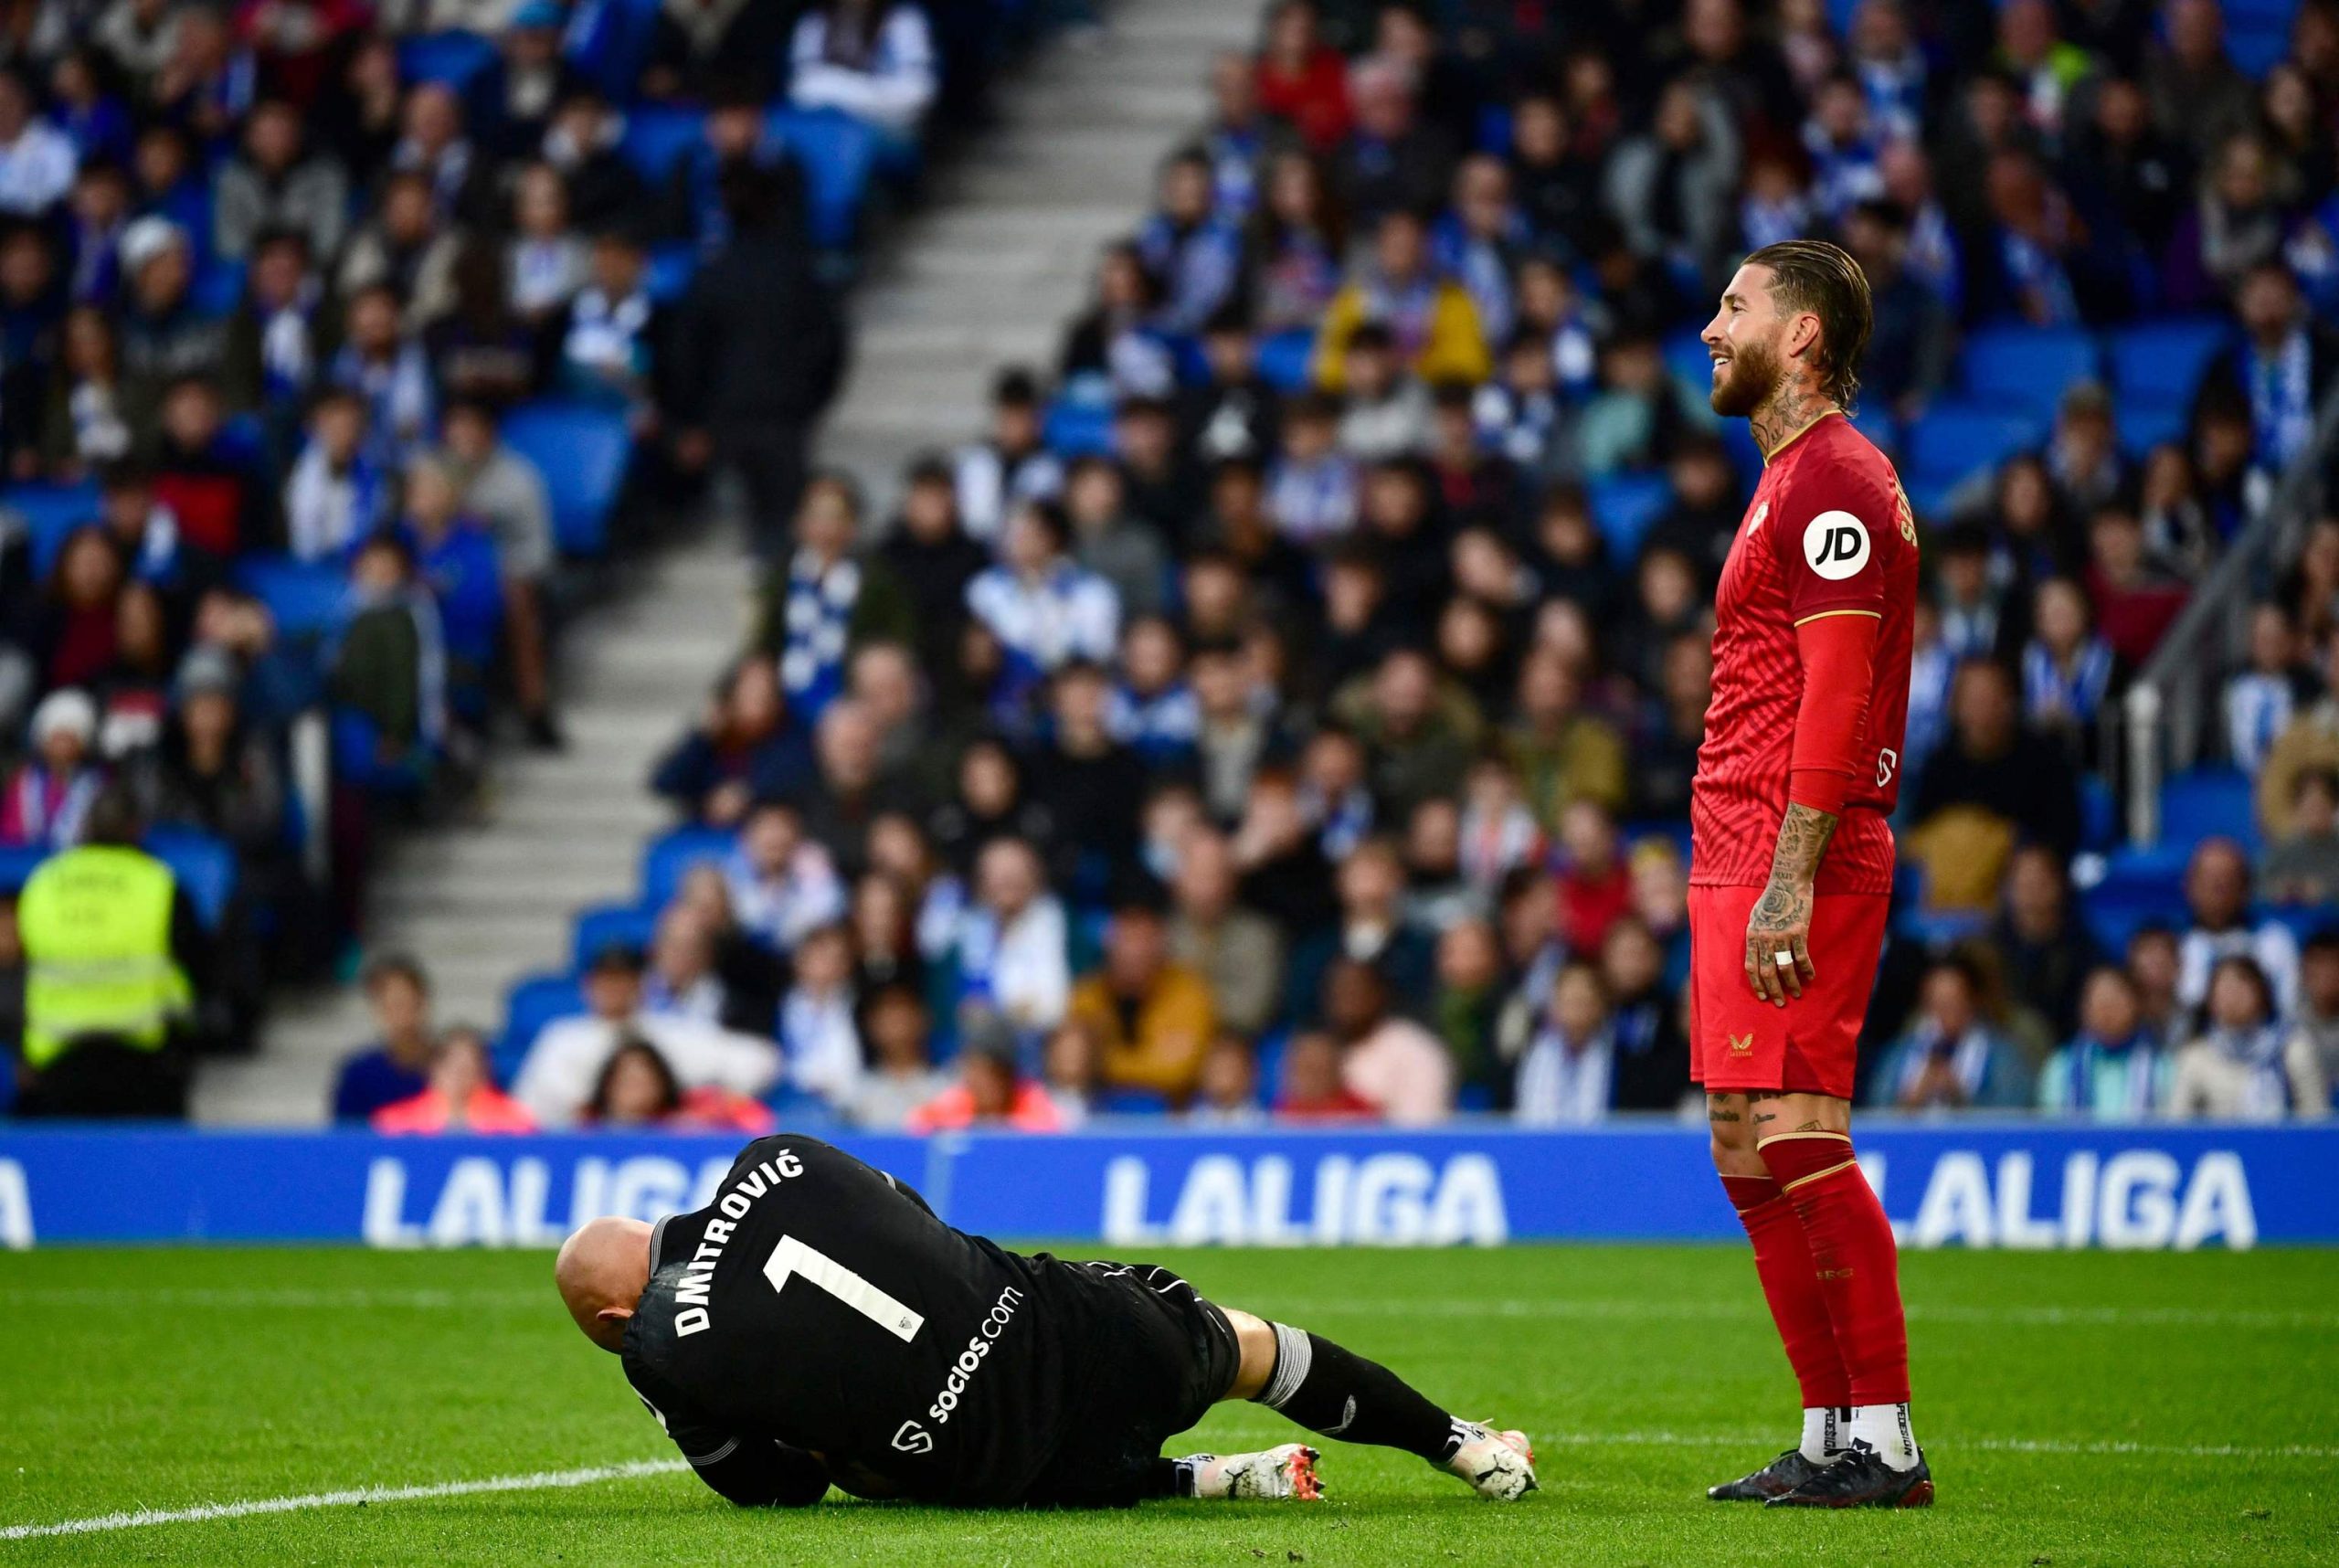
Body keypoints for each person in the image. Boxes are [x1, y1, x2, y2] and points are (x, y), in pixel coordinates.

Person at [553, 1133, 1536, 1510]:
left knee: (858, 1452)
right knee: (1248, 1347)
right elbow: (915, 1224)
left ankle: (1190, 1484)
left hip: (1002, 1474)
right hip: (1078, 1336)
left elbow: (773, 1496)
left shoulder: (657, 1345)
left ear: (610, 1317)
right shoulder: (781, 1153)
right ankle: (1464, 1448)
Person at [1689, 241, 1931, 1507]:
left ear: (1803, 335)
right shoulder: (1788, 480)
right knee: (1741, 1142)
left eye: (1735, 307)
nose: (1711, 327)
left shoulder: (1835, 480)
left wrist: (1795, 874)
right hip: (1736, 845)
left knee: (1797, 1131)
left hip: (1799, 850)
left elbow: (1837, 698)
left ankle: (1886, 1437)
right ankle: (1831, 1432)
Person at [13, 786, 206, 1117]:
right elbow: (198, 970)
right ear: (136, 828)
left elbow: (17, 970)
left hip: (55, 1066)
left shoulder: (42, 882)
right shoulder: (161, 884)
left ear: (85, 826)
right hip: (144, 1064)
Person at [512, 942, 781, 1128]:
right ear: (589, 985)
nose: (615, 988)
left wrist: (698, 1102)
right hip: (581, 1148)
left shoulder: (669, 1032)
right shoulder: (562, 1039)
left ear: (640, 984)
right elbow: (529, 1109)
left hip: (662, 1143)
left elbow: (759, 1060)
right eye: (606, 979)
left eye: (623, 979)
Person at [1068, 897, 1216, 1105]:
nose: (1133, 952)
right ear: (1109, 947)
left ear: (1160, 948)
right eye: (1125, 941)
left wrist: (1105, 1063)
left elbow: (1178, 1071)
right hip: (1094, 1114)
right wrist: (1151, 1061)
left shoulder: (1189, 994)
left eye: (1142, 942)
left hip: (1174, 1119)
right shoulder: (1087, 995)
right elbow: (1072, 1066)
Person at [2169, 955, 2328, 1120]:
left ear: (2262, 993)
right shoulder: (2195, 1058)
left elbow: (2317, 1121)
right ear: (2210, 1000)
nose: (2232, 997)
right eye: (2224, 989)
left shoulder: (2293, 1050)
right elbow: (2178, 1125)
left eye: (2241, 987)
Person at [2037, 967, 2171, 1119]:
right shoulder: (2061, 1065)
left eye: (2114, 999)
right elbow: (2050, 1125)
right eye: (2098, 1000)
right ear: (2083, 1009)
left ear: (2136, 1004)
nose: (2106, 1008)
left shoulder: (2161, 1065)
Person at [330, 953, 436, 1122]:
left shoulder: (450, 1064)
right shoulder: (360, 1072)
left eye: (407, 1001)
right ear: (378, 1008)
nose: (402, 1012)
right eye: (392, 1004)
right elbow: (345, 1135)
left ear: (422, 1001)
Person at [374, 1028, 537, 1133]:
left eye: (468, 1068)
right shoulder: (396, 1122)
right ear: (434, 1069)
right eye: (452, 1067)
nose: (459, 1077)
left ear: (483, 1072)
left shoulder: (513, 1120)